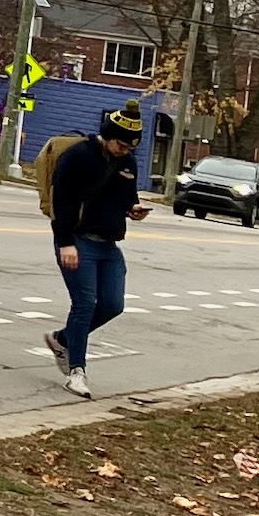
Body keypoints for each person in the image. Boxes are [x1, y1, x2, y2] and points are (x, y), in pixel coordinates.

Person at [43, 102, 149, 398]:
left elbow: (128, 197)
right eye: (121, 144)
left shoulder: (127, 162)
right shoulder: (76, 157)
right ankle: (76, 371)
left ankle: (62, 338)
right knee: (85, 303)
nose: (124, 150)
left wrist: (134, 209)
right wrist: (65, 243)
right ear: (107, 135)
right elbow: (61, 203)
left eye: (130, 147)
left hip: (109, 244)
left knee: (113, 304)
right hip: (78, 241)